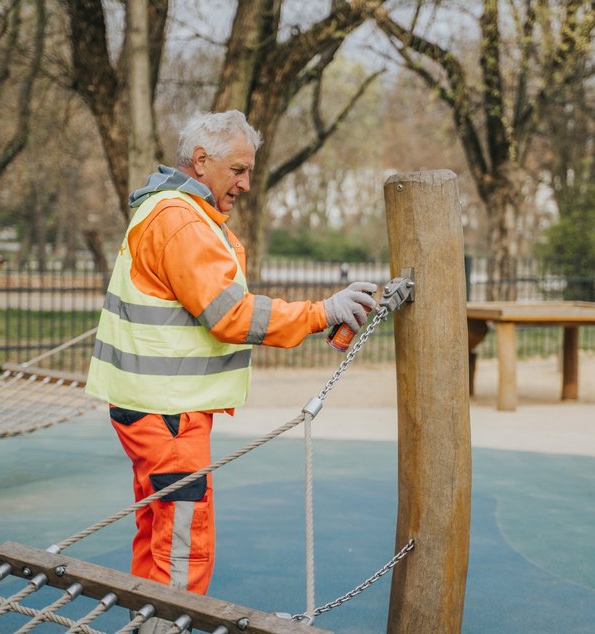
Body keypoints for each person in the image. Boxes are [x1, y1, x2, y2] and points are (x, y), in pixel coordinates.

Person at [85, 110, 377, 602]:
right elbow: (230, 315)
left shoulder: (168, 210)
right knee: (183, 548)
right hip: (168, 410)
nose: (246, 183)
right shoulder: (181, 220)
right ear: (201, 161)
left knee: (158, 533)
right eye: (238, 170)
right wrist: (322, 312)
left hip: (151, 406)